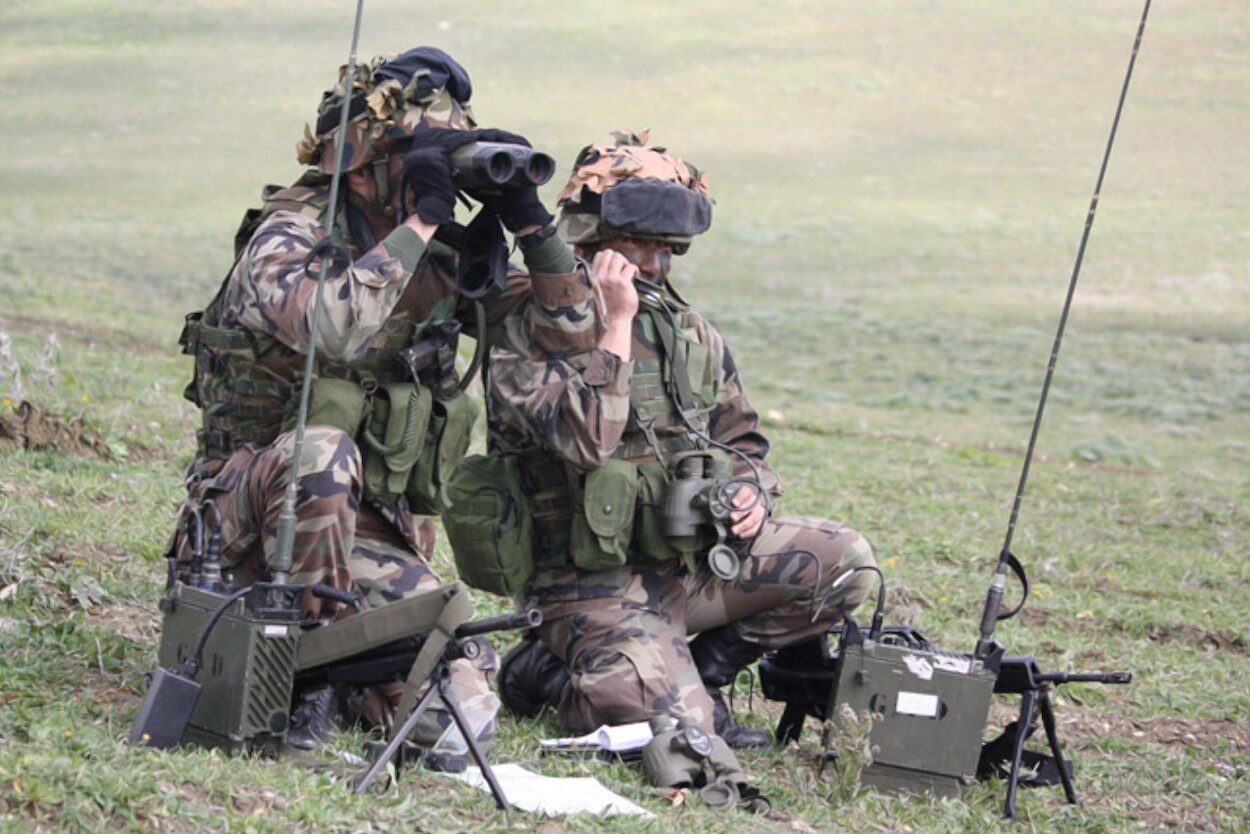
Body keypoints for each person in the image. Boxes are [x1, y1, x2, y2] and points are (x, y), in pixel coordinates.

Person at [165, 47, 577, 753]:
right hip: (245, 522)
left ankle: (346, 670)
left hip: (359, 532)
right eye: (421, 158)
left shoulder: (440, 254)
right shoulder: (290, 232)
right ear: (360, 167)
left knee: (457, 707)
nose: (438, 175)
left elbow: (568, 329)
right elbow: (332, 326)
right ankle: (299, 687)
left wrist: (535, 228)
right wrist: (420, 224)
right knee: (322, 450)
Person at [476, 131, 880, 755]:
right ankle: (543, 674)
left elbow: (742, 440)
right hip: (584, 581)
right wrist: (615, 325)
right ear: (587, 239)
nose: (654, 265)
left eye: (665, 248)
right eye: (637, 245)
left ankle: (704, 676)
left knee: (847, 562)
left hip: (687, 566)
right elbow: (585, 441)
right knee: (666, 726)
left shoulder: (686, 330)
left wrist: (750, 495)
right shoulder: (530, 326)